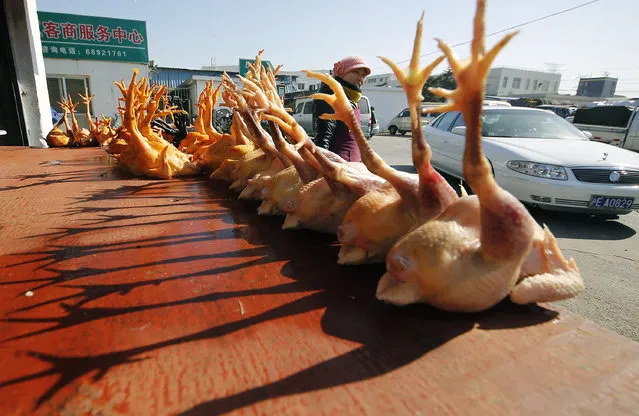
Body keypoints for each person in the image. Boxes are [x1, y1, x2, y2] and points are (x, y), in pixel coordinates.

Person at [312, 55, 371, 162]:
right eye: (355, 72)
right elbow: (323, 138)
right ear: (342, 73)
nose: (360, 78)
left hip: (353, 165)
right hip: (339, 166)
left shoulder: (351, 98)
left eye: (363, 75)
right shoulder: (331, 97)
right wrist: (325, 167)